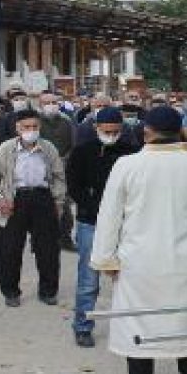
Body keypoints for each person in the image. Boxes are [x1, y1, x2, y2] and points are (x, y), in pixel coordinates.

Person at [90, 106, 187, 374]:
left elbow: (109, 216)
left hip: (140, 263)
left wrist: (105, 260)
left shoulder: (127, 165)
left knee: (139, 323)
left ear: (147, 131)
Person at [66, 107, 136, 347]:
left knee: (127, 278)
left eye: (115, 131)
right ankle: (83, 325)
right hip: (91, 222)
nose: (111, 135)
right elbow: (73, 186)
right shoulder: (82, 152)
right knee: (89, 279)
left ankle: (127, 325)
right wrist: (93, 207)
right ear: (96, 128)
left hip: (125, 225)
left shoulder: (130, 152)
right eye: (106, 131)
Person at [0, 109, 67, 307]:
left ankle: (48, 291)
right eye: (26, 127)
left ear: (40, 127)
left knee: (48, 250)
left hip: (43, 199)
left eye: (35, 127)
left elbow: (58, 178)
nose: (31, 130)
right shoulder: (5, 149)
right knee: (9, 249)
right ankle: (10, 291)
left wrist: (58, 201)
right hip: (14, 200)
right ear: (18, 128)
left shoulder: (49, 149)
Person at [36, 91, 77, 251]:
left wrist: (64, 160)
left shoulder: (67, 122)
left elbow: (73, 145)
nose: (51, 106)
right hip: (40, 169)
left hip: (62, 168)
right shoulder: (35, 123)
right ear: (40, 105)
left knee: (64, 206)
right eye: (47, 103)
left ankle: (65, 238)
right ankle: (39, 240)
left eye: (54, 102)